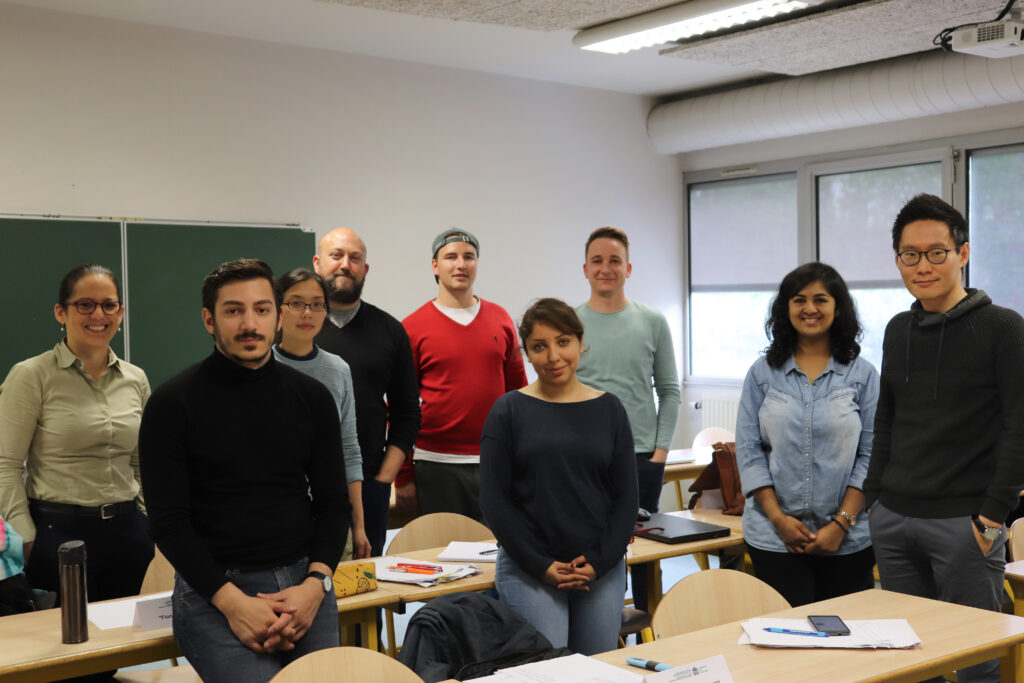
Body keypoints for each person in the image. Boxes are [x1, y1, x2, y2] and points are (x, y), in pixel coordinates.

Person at [139, 259, 350, 683]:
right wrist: (234, 604)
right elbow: (169, 524)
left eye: (262, 309)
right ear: (209, 320)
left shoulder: (311, 398)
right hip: (215, 590)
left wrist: (315, 586)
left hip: (302, 584)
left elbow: (332, 503)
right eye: (233, 311)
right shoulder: (171, 404)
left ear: (278, 316)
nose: (249, 323)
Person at [864, 194, 1024, 683]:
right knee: (910, 661)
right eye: (910, 255)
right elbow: (886, 419)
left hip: (966, 523)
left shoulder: (1004, 328)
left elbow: (1021, 428)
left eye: (937, 252)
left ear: (963, 253)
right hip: (893, 518)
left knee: (977, 660)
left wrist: (994, 517)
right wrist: (874, 499)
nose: (923, 265)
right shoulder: (897, 329)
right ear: (898, 260)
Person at [480, 298, 637, 655]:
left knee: (597, 670)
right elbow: (494, 501)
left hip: (600, 567)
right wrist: (540, 565)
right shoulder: (508, 411)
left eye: (563, 341)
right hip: (529, 567)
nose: (553, 356)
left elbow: (626, 499)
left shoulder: (610, 408)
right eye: (540, 347)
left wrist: (599, 563)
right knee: (548, 672)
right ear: (527, 354)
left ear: (581, 343)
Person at [0, 264, 153, 606]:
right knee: (69, 646)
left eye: (108, 305)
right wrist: (27, 538)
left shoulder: (135, 379)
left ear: (121, 312)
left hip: (128, 532)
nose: (98, 314)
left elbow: (142, 462)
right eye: (85, 304)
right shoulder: (31, 376)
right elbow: (5, 465)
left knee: (117, 645)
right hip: (59, 534)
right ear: (61, 312)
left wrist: (145, 521)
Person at [735, 262, 878, 607]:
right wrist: (779, 520)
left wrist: (841, 524)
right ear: (786, 309)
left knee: (849, 642)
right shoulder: (762, 374)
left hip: (848, 540)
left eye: (821, 299)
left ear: (838, 307)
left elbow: (873, 453)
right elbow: (749, 450)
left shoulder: (863, 374)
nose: (810, 309)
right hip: (774, 538)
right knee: (787, 644)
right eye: (799, 300)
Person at [574, 227, 680, 613]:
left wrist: (660, 453)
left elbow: (669, 391)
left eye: (614, 260)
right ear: (585, 269)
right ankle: (602, 628)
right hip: (584, 459)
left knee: (645, 552)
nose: (606, 268)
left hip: (640, 458)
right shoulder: (569, 323)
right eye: (598, 261)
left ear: (628, 268)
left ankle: (652, 628)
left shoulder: (652, 321)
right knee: (593, 549)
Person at [400, 228, 527, 520]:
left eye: (469, 257)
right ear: (435, 266)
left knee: (495, 556)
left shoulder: (501, 319)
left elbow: (520, 396)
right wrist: (403, 475)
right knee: (443, 559)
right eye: (451, 257)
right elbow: (401, 406)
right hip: (435, 464)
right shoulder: (412, 328)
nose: (461, 264)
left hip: (495, 460)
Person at [313, 227, 421, 557]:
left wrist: (383, 479)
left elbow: (407, 412)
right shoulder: (292, 329)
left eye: (355, 258)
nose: (345, 264)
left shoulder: (389, 331)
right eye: (336, 255)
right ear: (317, 263)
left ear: (365, 269)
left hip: (369, 489)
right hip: (303, 490)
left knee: (365, 591)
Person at [273, 268, 369, 560]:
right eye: (297, 303)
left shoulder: (338, 369)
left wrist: (359, 525)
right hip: (277, 520)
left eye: (317, 304)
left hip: (331, 516)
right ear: (278, 310)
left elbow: (349, 450)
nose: (307, 313)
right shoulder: (260, 367)